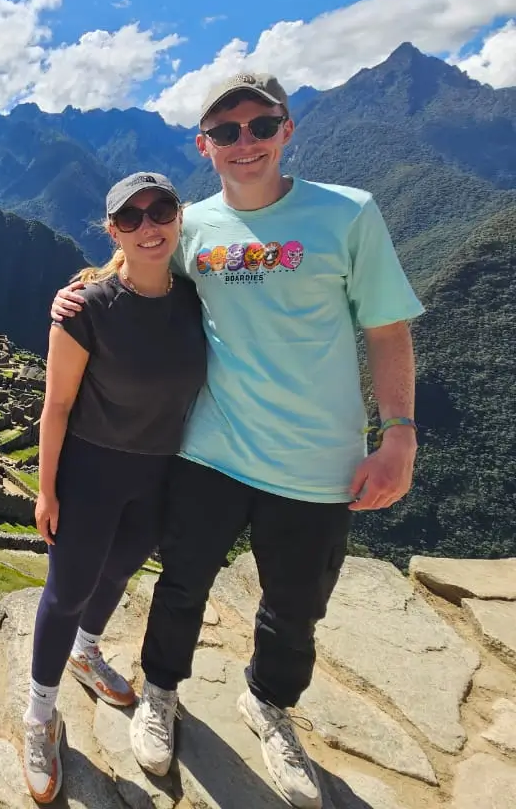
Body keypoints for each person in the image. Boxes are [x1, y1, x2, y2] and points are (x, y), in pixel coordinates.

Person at [50, 73, 422, 808]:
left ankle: (269, 704)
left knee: (296, 604)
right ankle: (160, 691)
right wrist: (82, 285)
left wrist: (399, 434)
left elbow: (386, 328)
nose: (243, 142)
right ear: (206, 145)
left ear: (288, 130)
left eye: (260, 126)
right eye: (226, 131)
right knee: (182, 583)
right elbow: (141, 264)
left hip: (318, 461)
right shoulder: (196, 229)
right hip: (210, 452)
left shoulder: (348, 215)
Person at [23, 172, 208, 804]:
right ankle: (40, 715)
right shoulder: (87, 308)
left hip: (158, 472)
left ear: (179, 219)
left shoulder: (195, 297)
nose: (149, 226)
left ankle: (86, 654)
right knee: (68, 589)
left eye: (161, 211)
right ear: (113, 231)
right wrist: (46, 492)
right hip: (92, 471)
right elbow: (56, 405)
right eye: (131, 218)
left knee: (121, 570)